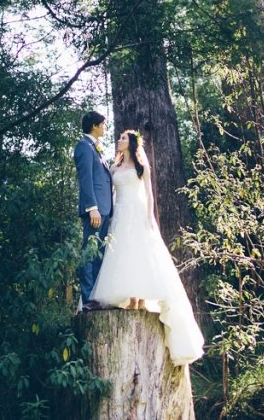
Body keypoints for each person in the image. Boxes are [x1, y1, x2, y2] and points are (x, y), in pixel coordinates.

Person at [89, 129, 204, 366]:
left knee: (140, 253)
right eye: (119, 138)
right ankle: (130, 300)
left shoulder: (141, 168)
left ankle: (140, 299)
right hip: (120, 215)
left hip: (138, 212)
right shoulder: (114, 168)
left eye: (122, 138)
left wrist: (150, 216)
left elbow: (149, 195)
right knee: (123, 255)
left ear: (131, 143)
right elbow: (110, 194)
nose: (119, 141)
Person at [74, 111, 113, 312]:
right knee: (89, 252)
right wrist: (92, 208)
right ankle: (88, 298)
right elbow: (86, 180)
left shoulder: (95, 147)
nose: (105, 127)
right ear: (95, 125)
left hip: (105, 207)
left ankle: (96, 296)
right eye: (104, 124)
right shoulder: (83, 147)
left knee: (99, 252)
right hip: (95, 209)